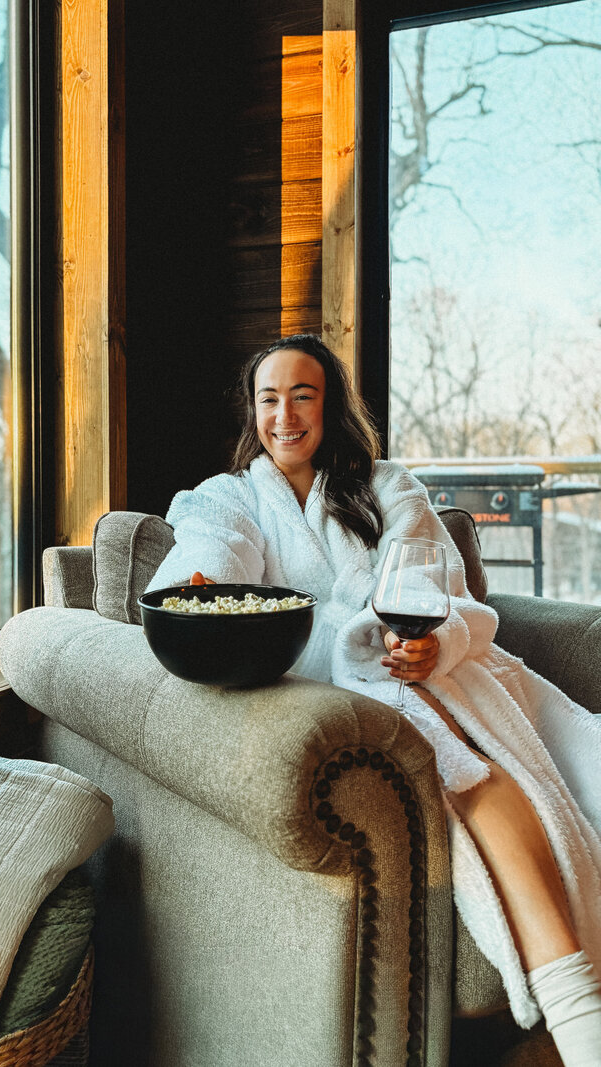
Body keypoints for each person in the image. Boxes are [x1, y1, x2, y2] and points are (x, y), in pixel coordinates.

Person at [146, 333, 601, 1067]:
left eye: (303, 394)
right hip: (338, 685)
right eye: (269, 398)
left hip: (432, 671)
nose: (285, 414)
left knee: (457, 737)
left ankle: (577, 1013)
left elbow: (430, 589)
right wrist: (198, 583)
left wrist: (431, 642)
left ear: (330, 406)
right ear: (252, 412)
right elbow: (211, 561)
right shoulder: (228, 499)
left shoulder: (387, 485)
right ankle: (581, 1012)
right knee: (450, 753)